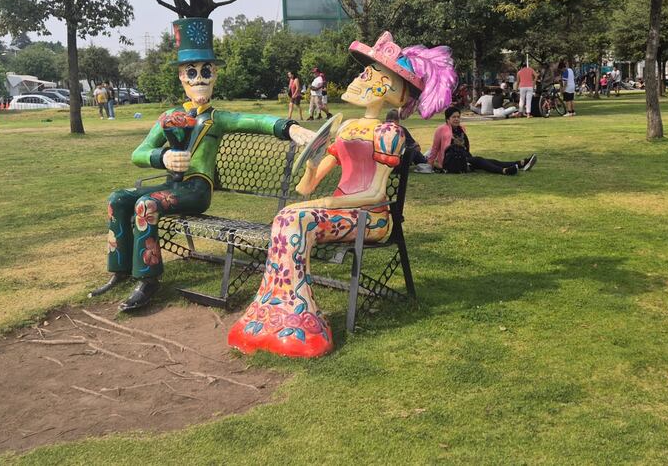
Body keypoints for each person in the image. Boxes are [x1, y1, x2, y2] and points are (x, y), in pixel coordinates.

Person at [228, 31, 457, 357]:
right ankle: (273, 312)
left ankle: (299, 318)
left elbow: (376, 192)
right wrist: (311, 163)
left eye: (370, 73)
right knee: (286, 216)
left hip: (371, 218)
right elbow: (307, 187)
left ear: (389, 88)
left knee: (296, 219)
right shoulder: (346, 127)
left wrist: (327, 203)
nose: (360, 77)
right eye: (365, 71)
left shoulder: (389, 133)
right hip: (339, 213)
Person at [90, 18, 315, 312]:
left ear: (215, 75)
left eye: (206, 71)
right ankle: (119, 269)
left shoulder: (217, 119)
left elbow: (255, 120)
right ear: (181, 77)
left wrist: (289, 127)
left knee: (146, 205)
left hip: (196, 192)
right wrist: (162, 157)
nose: (199, 79)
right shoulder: (169, 116)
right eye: (192, 72)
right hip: (172, 186)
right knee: (118, 198)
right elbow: (139, 153)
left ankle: (148, 280)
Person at [428, 107, 535, 175]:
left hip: (464, 158)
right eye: (453, 117)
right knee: (479, 160)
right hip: (451, 162)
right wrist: (430, 164)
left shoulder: (461, 128)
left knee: (490, 161)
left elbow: (465, 146)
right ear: (448, 119)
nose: (456, 119)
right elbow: (435, 148)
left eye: (458, 117)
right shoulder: (441, 129)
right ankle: (504, 171)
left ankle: (520, 163)